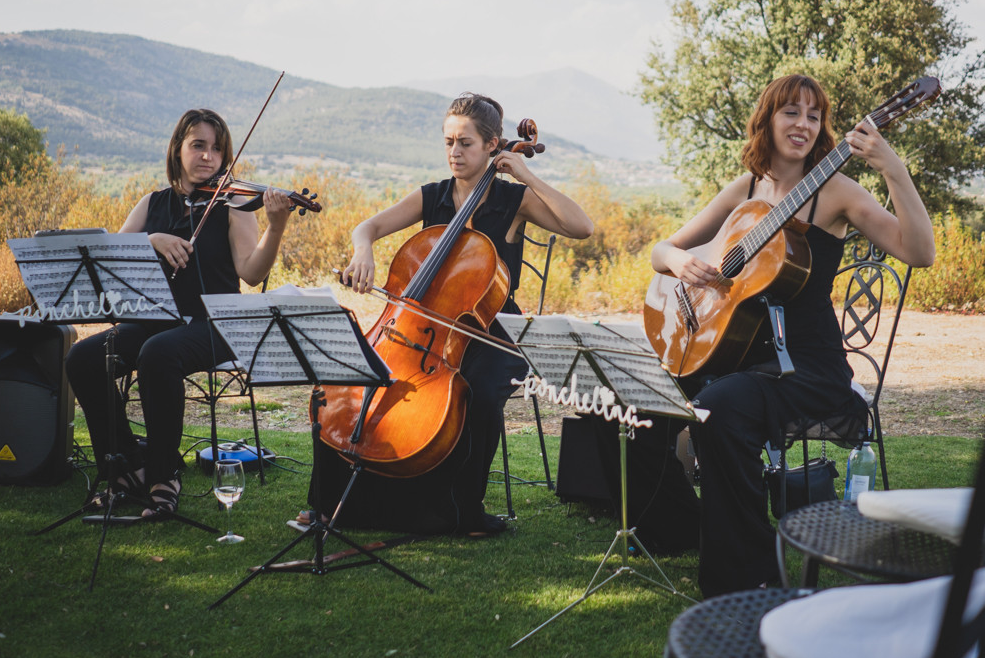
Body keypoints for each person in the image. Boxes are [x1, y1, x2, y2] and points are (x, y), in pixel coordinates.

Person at [649, 74, 936, 597]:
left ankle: (754, 570)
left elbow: (919, 252)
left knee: (718, 410)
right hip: (735, 357)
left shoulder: (836, 192)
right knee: (642, 402)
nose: (803, 124)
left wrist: (892, 167)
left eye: (813, 115)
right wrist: (680, 262)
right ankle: (680, 530)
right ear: (768, 119)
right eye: (791, 112)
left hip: (804, 368)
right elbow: (661, 250)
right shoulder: (748, 188)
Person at [310, 92, 594, 537]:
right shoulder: (432, 196)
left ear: (491, 146)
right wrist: (362, 250)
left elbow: (582, 227)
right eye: (448, 142)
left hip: (496, 331)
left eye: (465, 143)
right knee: (347, 375)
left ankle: (463, 512)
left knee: (478, 393)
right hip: (421, 327)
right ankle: (335, 505)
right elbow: (368, 227)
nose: (454, 153)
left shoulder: (513, 201)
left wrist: (526, 173)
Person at [65, 108, 293, 519]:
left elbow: (251, 270)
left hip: (216, 324)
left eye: (217, 149)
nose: (208, 156)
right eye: (198, 145)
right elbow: (109, 258)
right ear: (178, 150)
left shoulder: (236, 205)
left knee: (158, 353)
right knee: (82, 358)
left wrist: (275, 226)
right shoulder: (152, 204)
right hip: (156, 321)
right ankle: (125, 469)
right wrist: (150, 239)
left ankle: (164, 476)